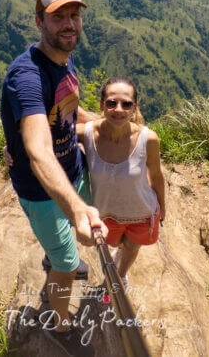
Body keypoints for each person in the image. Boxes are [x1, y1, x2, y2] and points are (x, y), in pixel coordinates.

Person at [0, 0, 106, 352]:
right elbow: (38, 149)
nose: (69, 24)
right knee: (67, 262)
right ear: (38, 22)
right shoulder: (26, 77)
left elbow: (70, 111)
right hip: (41, 191)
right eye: (58, 16)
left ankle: (55, 254)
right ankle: (60, 327)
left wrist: (111, 124)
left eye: (74, 15)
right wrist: (76, 208)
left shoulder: (64, 58)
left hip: (73, 169)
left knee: (74, 240)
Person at [78, 77, 166, 287]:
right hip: (106, 213)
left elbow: (156, 175)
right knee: (113, 243)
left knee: (132, 247)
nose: (118, 109)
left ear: (134, 107)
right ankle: (116, 270)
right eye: (111, 103)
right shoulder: (87, 134)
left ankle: (121, 275)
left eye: (126, 104)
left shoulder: (149, 139)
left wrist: (162, 207)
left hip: (142, 212)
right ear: (102, 105)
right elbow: (50, 136)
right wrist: (13, 147)